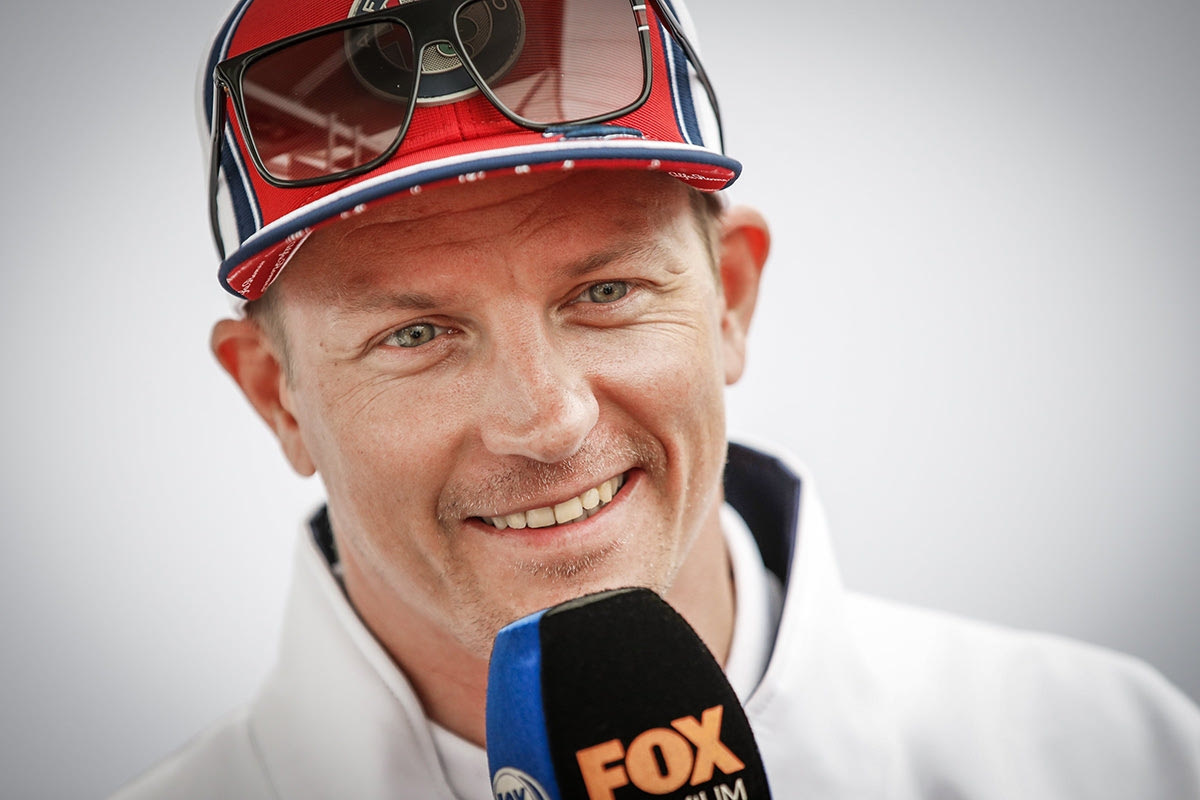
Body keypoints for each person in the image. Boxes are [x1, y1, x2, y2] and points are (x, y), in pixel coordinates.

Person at [115, 0, 1200, 796]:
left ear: (730, 298)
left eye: (606, 293)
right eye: (416, 334)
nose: (549, 422)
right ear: (278, 398)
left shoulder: (1118, 755)